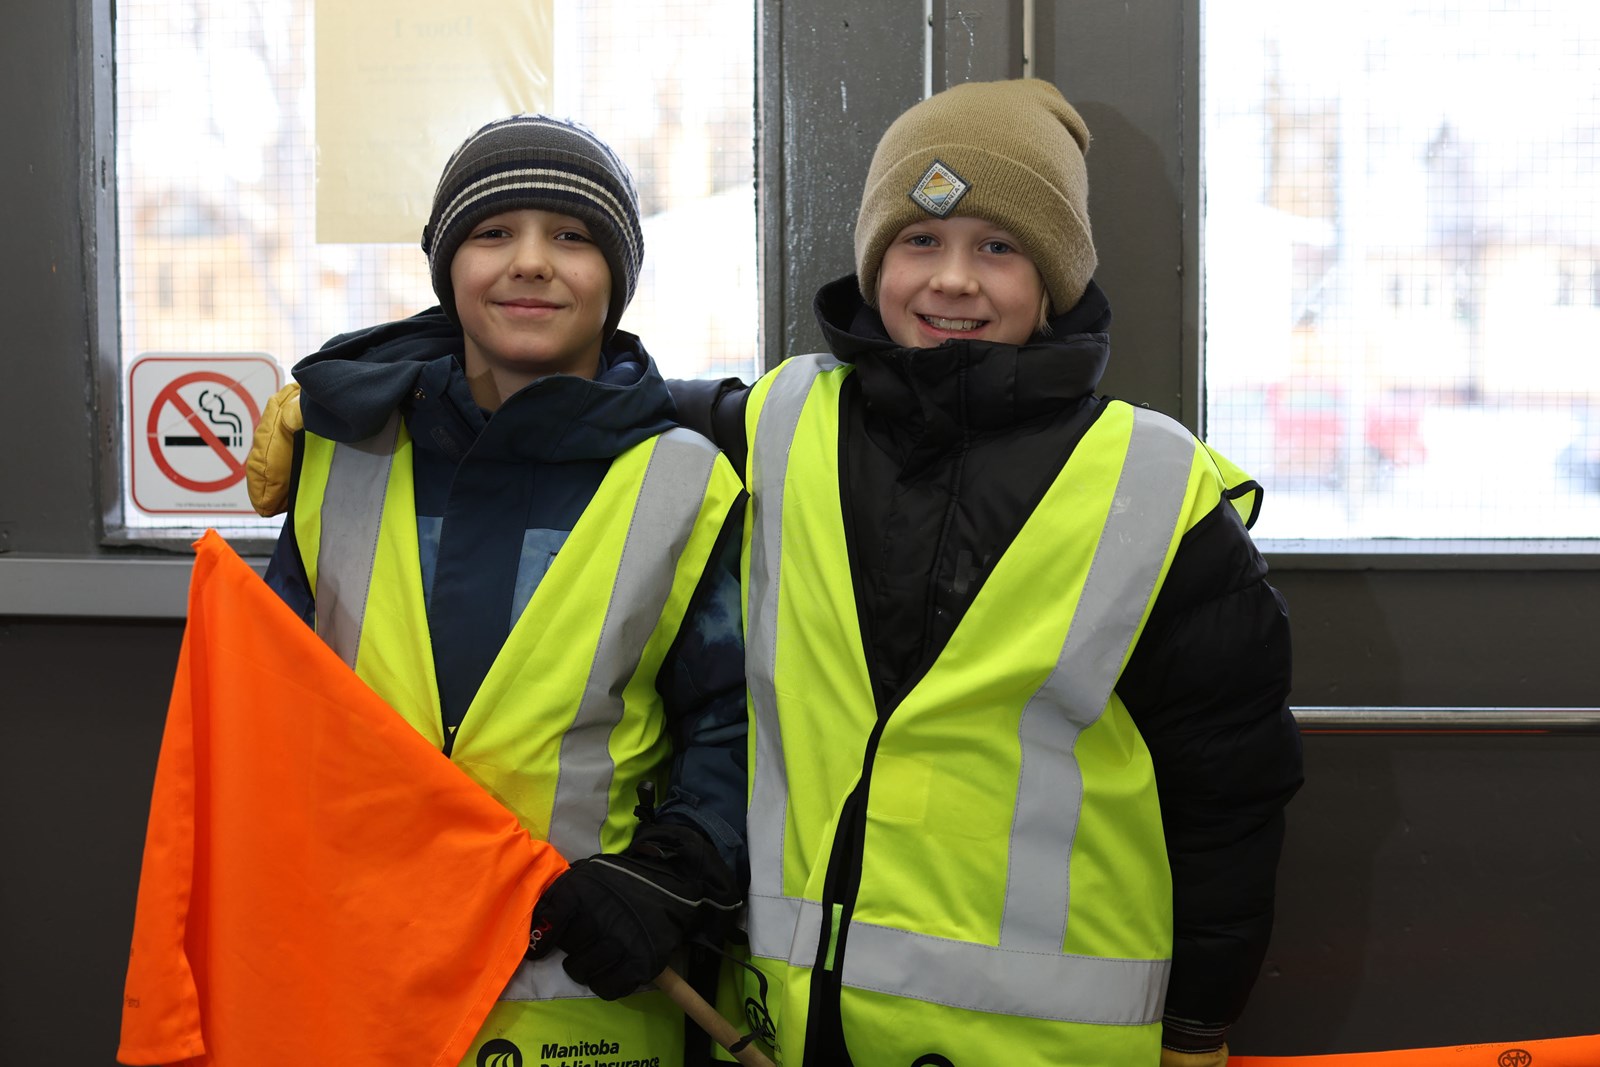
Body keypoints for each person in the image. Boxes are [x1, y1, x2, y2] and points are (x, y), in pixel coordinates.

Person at [251, 80, 1302, 1066]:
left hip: (1047, 1043)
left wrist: (1201, 1020)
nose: (950, 279)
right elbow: (577, 394)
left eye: (998, 246)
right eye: (919, 239)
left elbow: (1231, 795)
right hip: (792, 1028)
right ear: (874, 258)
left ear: (1058, 276)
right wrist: (355, 385)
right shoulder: (781, 421)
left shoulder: (1159, 491)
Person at [259, 114, 750, 1067]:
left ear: (616, 279)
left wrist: (669, 879)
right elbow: (269, 711)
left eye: (572, 236)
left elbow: (733, 725)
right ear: (447, 270)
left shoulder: (687, 479)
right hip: (355, 984)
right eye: (493, 233)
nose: (531, 262)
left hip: (582, 1003)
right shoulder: (343, 458)